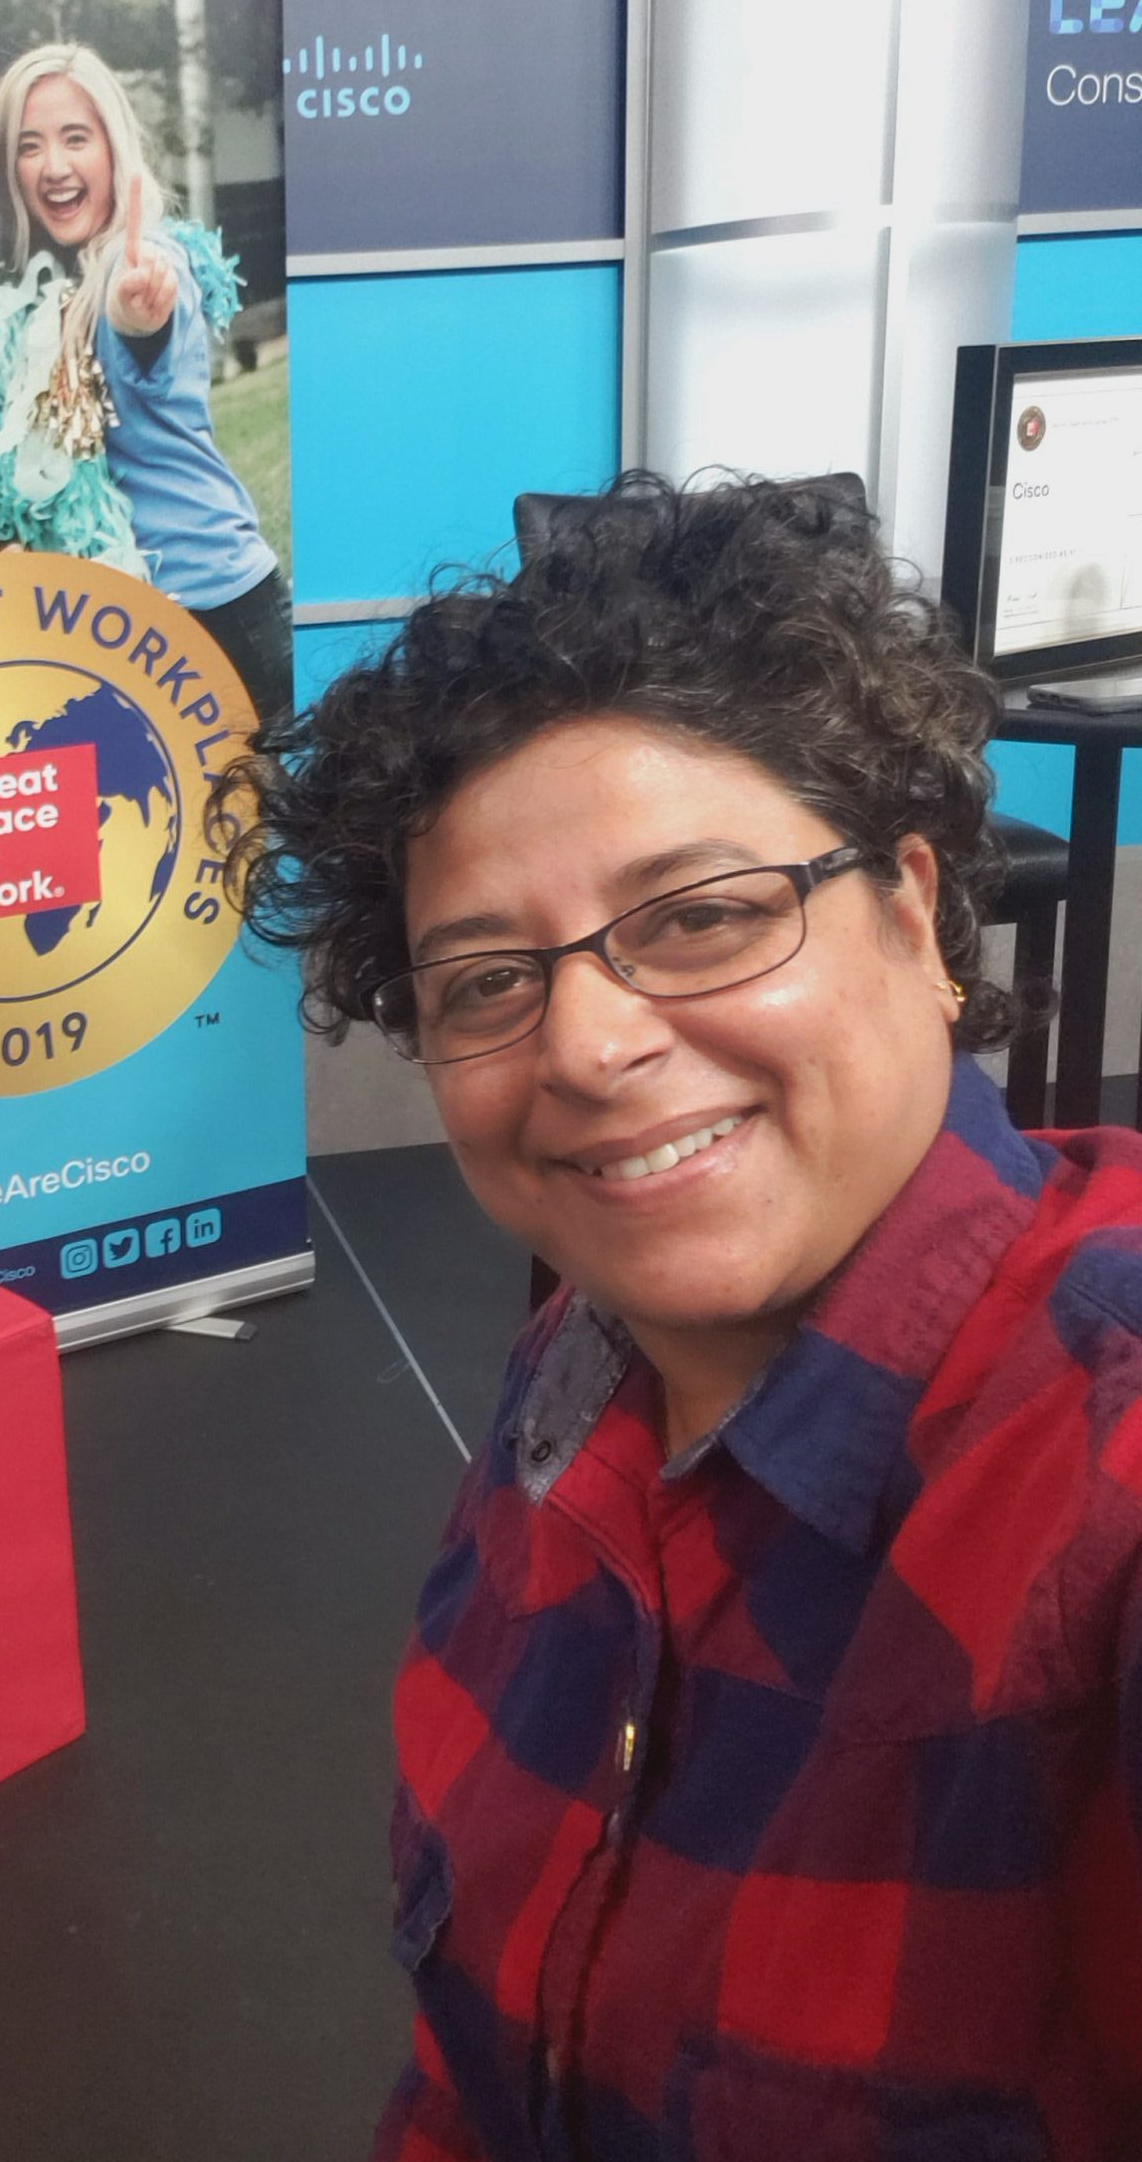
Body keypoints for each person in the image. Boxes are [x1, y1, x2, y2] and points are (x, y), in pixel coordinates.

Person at [226, 474, 1142, 2160]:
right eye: (491, 978)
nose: (583, 1044)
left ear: (918, 911)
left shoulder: (1105, 1464)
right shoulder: (573, 1388)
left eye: (707, 915)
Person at [0, 41, 292, 730]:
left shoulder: (151, 260)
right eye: (30, 146)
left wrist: (135, 314)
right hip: (116, 628)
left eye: (75, 138)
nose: (55, 166)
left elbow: (142, 337)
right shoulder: (29, 296)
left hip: (214, 610)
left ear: (114, 151)